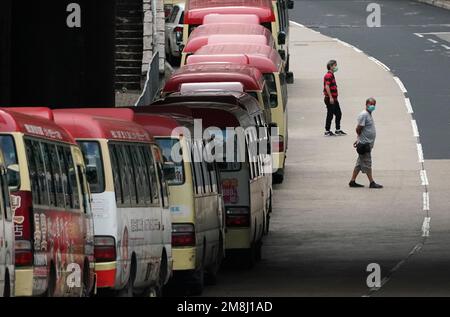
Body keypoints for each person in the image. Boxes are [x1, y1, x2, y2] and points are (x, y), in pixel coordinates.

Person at [349, 98, 383, 189]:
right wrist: (359, 139)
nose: (373, 106)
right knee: (368, 163)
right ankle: (372, 182)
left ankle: (352, 181)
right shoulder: (364, 115)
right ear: (366, 104)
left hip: (366, 143)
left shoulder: (368, 114)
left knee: (359, 163)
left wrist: (358, 139)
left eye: (374, 104)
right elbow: (358, 128)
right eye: (371, 104)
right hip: (365, 144)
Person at [323, 60, 346, 136]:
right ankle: (327, 130)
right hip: (330, 99)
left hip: (334, 99)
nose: (336, 67)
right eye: (335, 65)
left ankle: (337, 129)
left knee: (338, 113)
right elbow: (327, 86)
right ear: (331, 66)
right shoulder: (328, 76)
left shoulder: (331, 75)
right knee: (330, 114)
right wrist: (330, 97)